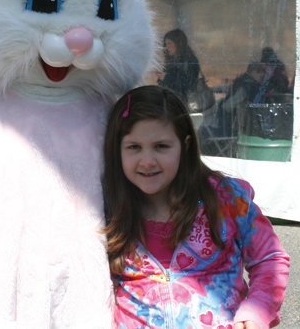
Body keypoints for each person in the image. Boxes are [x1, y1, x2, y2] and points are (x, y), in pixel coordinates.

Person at [102, 85, 290, 329]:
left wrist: (256, 311)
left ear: (186, 145)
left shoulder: (228, 200)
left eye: (161, 146)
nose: (147, 161)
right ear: (116, 150)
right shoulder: (104, 210)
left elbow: (270, 257)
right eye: (133, 147)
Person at [157, 29, 201, 102]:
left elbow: (187, 84)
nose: (167, 47)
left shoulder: (189, 60)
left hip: (185, 104)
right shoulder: (172, 61)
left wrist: (167, 77)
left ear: (178, 43)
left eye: (169, 43)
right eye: (166, 44)